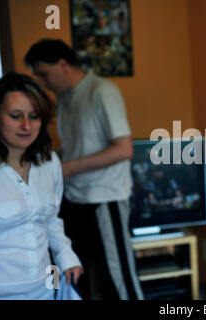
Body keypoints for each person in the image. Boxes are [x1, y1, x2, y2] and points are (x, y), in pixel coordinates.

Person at [24, 39, 144, 300]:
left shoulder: (101, 91)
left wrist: (65, 168)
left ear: (63, 65)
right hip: (74, 199)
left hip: (105, 199)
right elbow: (75, 147)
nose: (43, 83)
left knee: (119, 279)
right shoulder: (65, 98)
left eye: (44, 74)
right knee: (81, 276)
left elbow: (124, 149)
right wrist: (43, 164)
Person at [0, 72, 82, 300]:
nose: (26, 126)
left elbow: (51, 219)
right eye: (16, 116)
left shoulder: (49, 162)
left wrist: (66, 257)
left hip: (45, 289)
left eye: (34, 116)